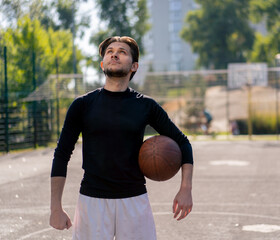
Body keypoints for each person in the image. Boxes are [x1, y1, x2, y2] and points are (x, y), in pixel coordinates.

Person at [49, 36, 194, 240]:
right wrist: (56, 207)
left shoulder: (146, 106)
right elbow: (62, 154)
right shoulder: (82, 105)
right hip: (92, 200)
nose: (114, 54)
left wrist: (185, 189)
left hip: (134, 199)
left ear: (134, 66)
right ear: (102, 64)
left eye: (122, 52)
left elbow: (183, 143)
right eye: (110, 51)